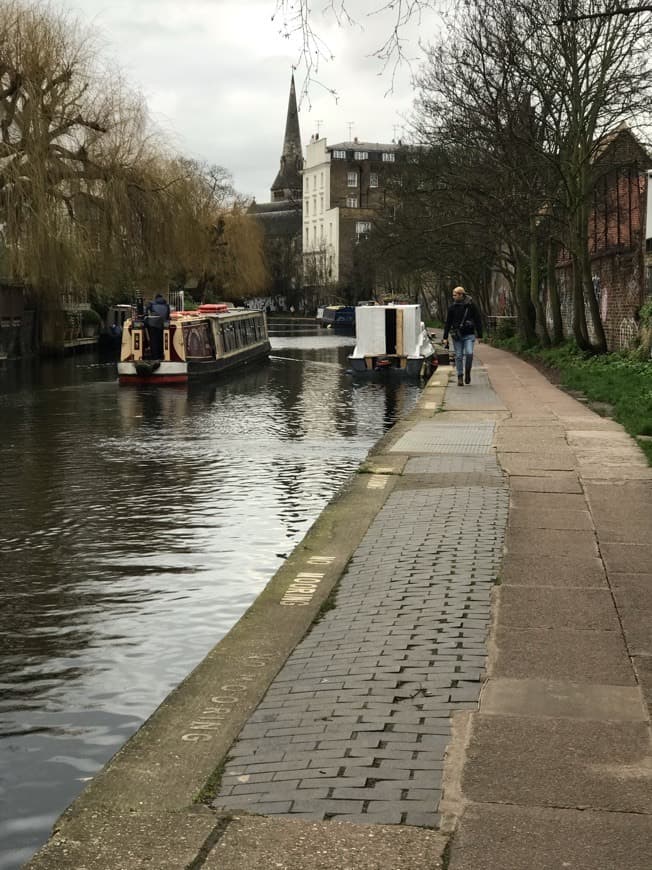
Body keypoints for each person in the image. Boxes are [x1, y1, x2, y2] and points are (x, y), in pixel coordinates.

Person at [443, 286, 483, 386]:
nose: (453, 297)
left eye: (455, 295)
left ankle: (468, 372)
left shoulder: (471, 305)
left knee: (469, 353)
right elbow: (448, 323)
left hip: (469, 334)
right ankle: (460, 376)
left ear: (461, 295)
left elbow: (478, 319)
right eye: (453, 295)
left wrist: (480, 335)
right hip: (457, 336)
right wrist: (445, 337)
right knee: (459, 356)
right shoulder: (452, 307)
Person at [145, 293, 170, 359]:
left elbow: (145, 312)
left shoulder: (151, 303)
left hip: (152, 325)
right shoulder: (166, 305)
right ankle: (161, 355)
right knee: (161, 340)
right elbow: (167, 316)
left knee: (153, 341)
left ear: (155, 298)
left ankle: (154, 357)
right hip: (162, 325)